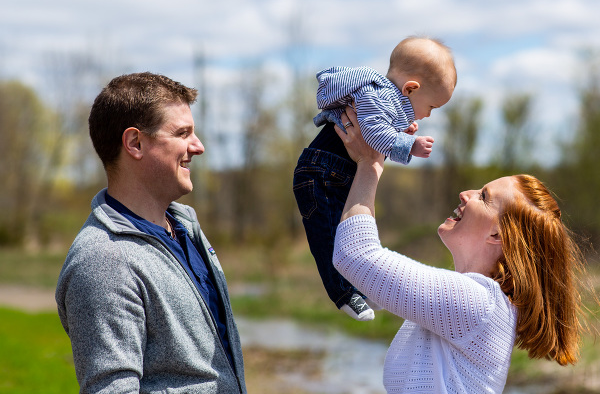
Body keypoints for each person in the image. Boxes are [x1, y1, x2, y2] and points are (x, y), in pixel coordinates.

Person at [332, 106, 596, 393]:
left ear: (497, 234)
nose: (465, 193)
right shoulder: (476, 303)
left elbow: (356, 255)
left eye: (483, 196)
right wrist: (386, 142)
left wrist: (370, 163)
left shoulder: (478, 303)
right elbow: (367, 281)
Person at [55, 72, 247, 393]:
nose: (198, 147)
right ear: (135, 143)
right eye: (182, 133)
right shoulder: (105, 261)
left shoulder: (185, 227)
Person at [293, 36, 457, 321]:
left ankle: (362, 282)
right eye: (431, 107)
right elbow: (371, 132)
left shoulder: (386, 99)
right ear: (410, 88)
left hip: (337, 171)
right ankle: (343, 294)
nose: (429, 115)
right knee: (329, 236)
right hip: (321, 173)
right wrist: (410, 146)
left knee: (352, 231)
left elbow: (380, 126)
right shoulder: (375, 94)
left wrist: (402, 127)